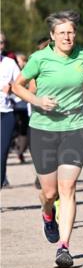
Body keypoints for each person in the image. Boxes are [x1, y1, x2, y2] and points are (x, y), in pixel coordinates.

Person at [12, 11, 83, 268]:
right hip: (43, 129)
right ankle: (48, 214)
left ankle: (64, 247)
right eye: (62, 33)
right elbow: (17, 86)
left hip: (75, 127)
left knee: (68, 188)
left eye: (70, 32)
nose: (67, 37)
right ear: (52, 36)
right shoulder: (39, 58)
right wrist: (38, 101)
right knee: (49, 192)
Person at [1, 41, 20, 188]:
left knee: (1, 156)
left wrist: (12, 89)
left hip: (6, 114)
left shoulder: (10, 63)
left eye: (0, 42)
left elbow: (21, 86)